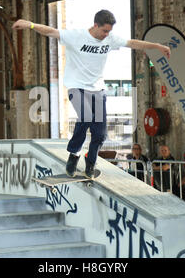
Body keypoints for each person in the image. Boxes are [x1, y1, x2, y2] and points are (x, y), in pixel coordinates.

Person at [12, 10, 170, 179]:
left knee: (100, 134)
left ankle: (90, 164)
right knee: (86, 117)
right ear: (96, 25)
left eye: (109, 31)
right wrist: (30, 24)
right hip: (76, 87)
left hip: (98, 90)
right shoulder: (76, 36)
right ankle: (74, 154)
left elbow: (133, 43)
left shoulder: (110, 39)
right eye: (104, 31)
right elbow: (51, 31)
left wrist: (157, 46)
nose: (106, 35)